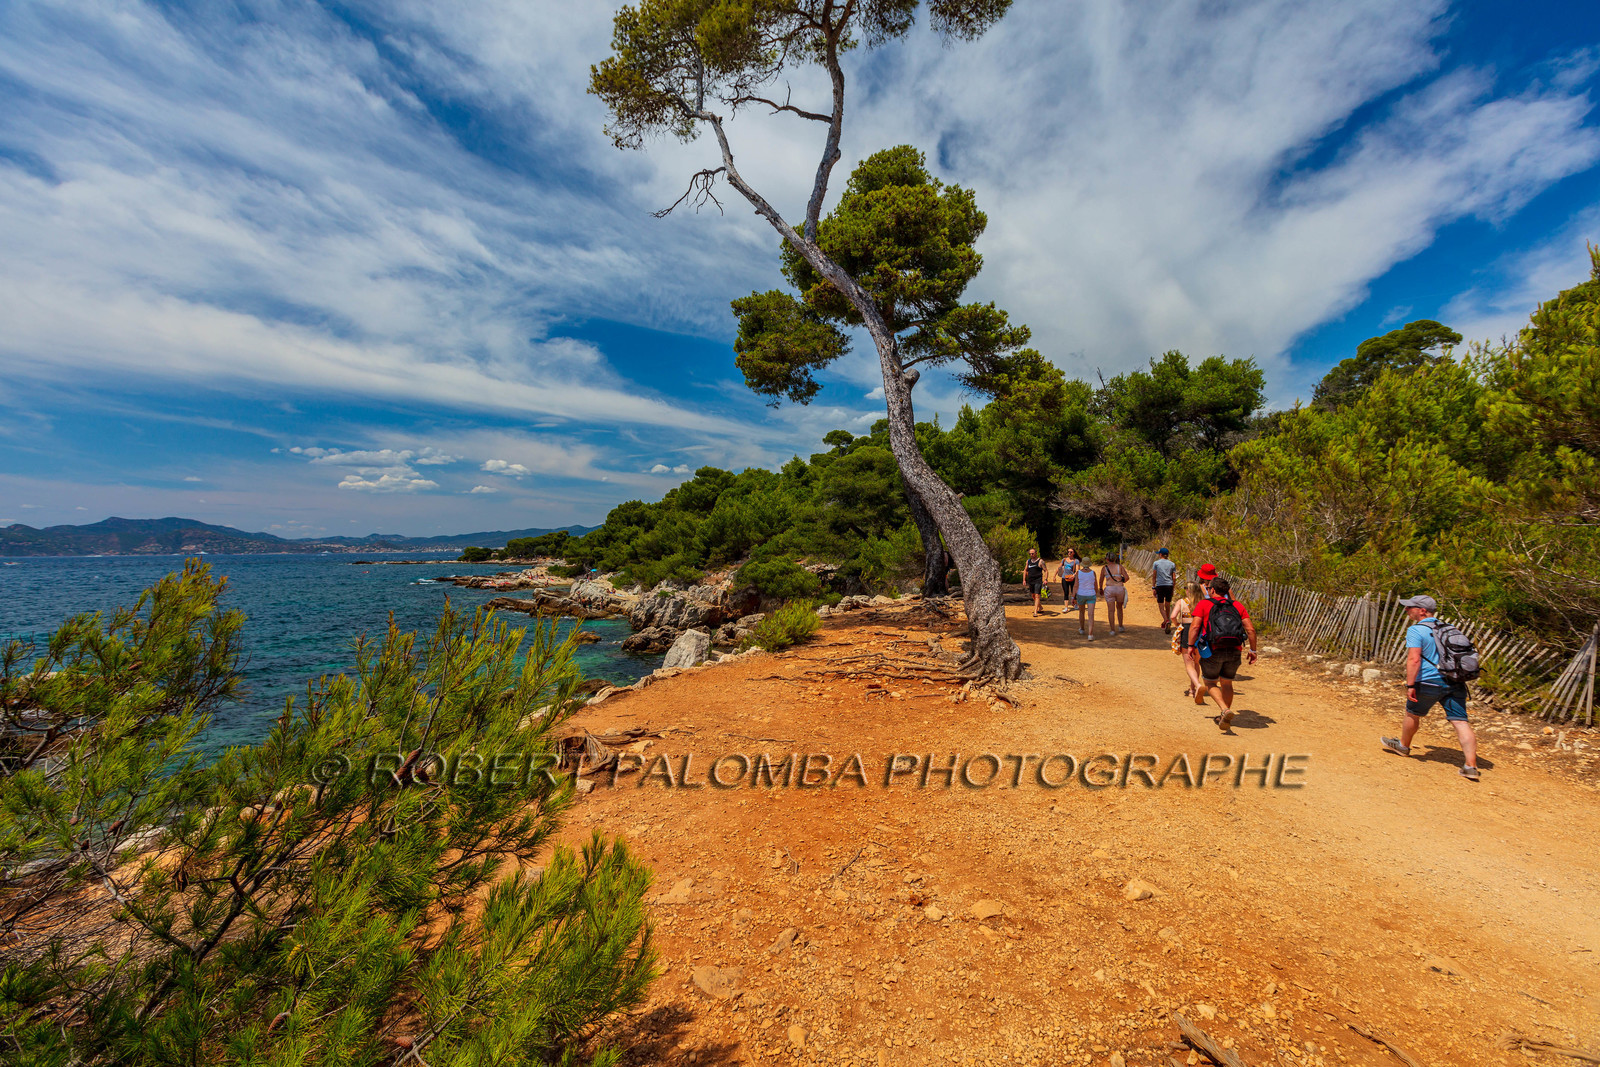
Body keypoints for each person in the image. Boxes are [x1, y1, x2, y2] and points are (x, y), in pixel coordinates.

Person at [1381, 595, 1480, 781]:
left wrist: (1410, 684)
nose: (1406, 610)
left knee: (1412, 713)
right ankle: (1470, 765)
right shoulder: (1449, 628)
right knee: (1460, 721)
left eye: (1410, 607)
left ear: (1422, 611)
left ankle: (1403, 746)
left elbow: (1414, 659)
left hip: (1428, 681)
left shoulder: (1416, 630)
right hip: (1455, 681)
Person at [1188, 577, 1258, 731]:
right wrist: (1253, 650)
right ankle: (1224, 716)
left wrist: (1190, 646)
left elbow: (1194, 627)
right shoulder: (1238, 606)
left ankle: (1225, 710)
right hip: (1234, 650)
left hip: (1212, 649)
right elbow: (1251, 630)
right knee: (1226, 682)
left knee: (1211, 683)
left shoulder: (1204, 604)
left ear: (1212, 590)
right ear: (1226, 591)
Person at [1170, 581, 1205, 697]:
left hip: (1187, 630)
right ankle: (1193, 688)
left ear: (1188, 590)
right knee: (1196, 663)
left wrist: (1177, 625)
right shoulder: (1202, 602)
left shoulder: (1182, 602)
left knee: (1188, 664)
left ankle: (1196, 687)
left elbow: (1173, 616)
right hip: (1200, 630)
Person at [1101, 552, 1130, 634]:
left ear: (1107, 559)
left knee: (1111, 611)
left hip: (1109, 589)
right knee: (1119, 608)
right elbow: (1127, 578)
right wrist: (1121, 580)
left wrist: (1100, 588)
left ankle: (1112, 630)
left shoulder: (1104, 568)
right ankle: (1120, 626)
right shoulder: (1119, 567)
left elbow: (1101, 580)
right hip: (1119, 588)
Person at [1150, 548, 1178, 632]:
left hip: (1160, 585)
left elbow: (1154, 576)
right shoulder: (1172, 564)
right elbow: (1174, 577)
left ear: (1160, 554)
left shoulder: (1156, 563)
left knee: (1161, 606)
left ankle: (1167, 620)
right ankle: (1166, 620)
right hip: (1169, 585)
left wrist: (1153, 587)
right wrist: (1173, 588)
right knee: (1167, 604)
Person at [1074, 553, 1100, 640]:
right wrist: (1095, 593)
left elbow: (1076, 585)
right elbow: (1095, 585)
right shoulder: (1093, 573)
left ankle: (1082, 628)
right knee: (1091, 614)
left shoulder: (1078, 573)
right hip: (1091, 594)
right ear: (1089, 564)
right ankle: (1090, 634)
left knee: (1081, 612)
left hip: (1081, 594)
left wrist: (1073, 596)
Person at [1024, 548, 1046, 615]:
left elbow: (1046, 570)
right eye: (1030, 554)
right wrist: (1024, 579)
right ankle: (1040, 607)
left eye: (1032, 553)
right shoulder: (1028, 561)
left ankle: (1035, 611)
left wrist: (1046, 579)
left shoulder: (1040, 561)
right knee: (1033, 595)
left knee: (1037, 595)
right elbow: (1025, 570)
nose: (1031, 555)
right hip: (1031, 580)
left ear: (1036, 553)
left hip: (1038, 580)